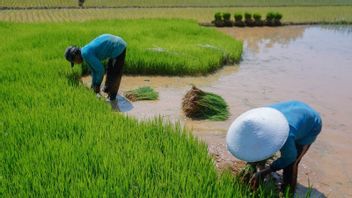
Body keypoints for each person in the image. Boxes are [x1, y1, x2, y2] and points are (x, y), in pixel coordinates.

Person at [226, 101, 322, 195]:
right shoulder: (260, 117)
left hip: (311, 124)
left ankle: (288, 193)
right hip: (294, 109)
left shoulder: (287, 135)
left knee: (291, 164)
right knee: (258, 148)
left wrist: (267, 170)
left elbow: (290, 157)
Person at [64, 34, 127, 101]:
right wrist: (93, 85)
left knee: (115, 74)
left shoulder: (86, 54)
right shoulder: (85, 53)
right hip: (113, 45)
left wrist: (97, 85)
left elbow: (100, 70)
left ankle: (112, 97)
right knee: (110, 69)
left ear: (76, 56)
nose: (76, 63)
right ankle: (107, 89)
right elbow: (94, 71)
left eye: (74, 61)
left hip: (118, 46)